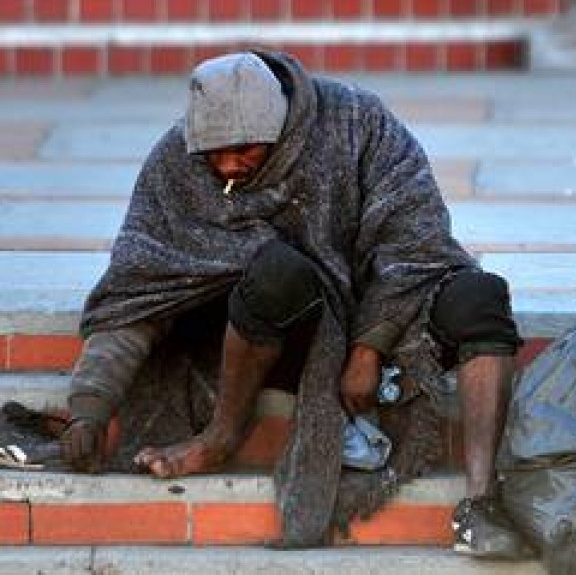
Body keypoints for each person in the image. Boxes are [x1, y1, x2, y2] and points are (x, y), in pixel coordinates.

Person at [59, 50, 529, 556]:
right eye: (213, 153)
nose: (227, 164)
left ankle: (482, 505)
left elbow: (415, 240)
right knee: (278, 271)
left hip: (388, 313)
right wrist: (90, 408)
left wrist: (368, 348)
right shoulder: (178, 161)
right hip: (273, 333)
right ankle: (219, 438)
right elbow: (138, 290)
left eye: (244, 150)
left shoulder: (357, 121)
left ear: (280, 128)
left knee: (482, 297)